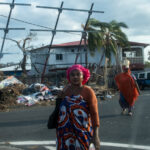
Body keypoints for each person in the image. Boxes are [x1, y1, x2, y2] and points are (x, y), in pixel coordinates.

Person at [56, 64, 100, 150]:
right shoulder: (65, 90)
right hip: (65, 134)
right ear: (69, 77)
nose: (75, 77)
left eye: (78, 74)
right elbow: (59, 112)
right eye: (72, 75)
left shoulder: (88, 91)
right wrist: (59, 99)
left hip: (83, 133)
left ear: (83, 76)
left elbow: (94, 114)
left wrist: (96, 136)